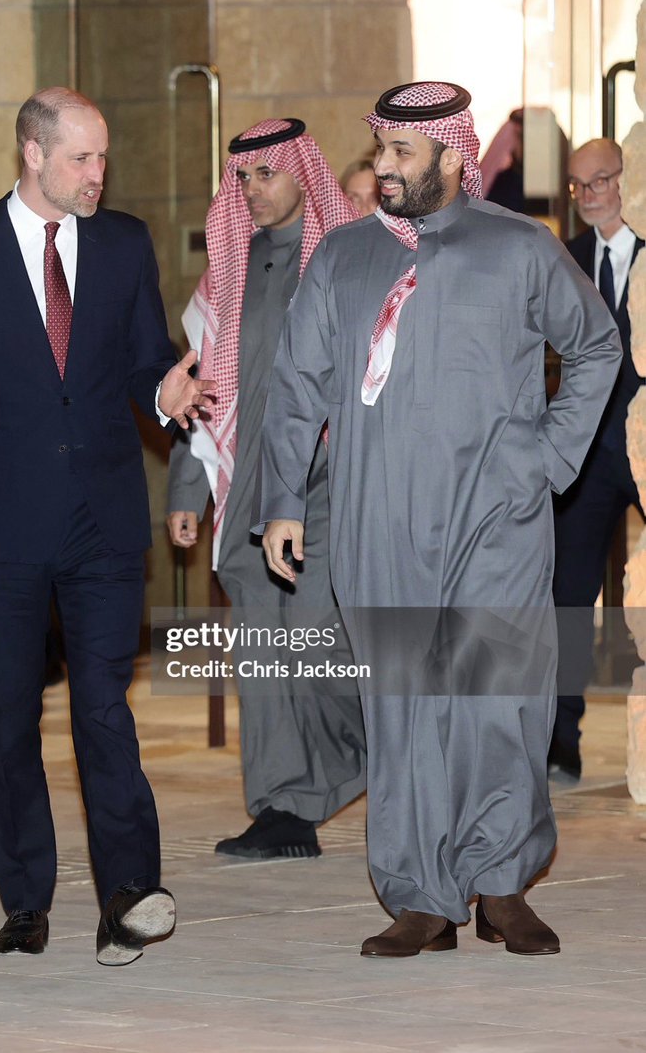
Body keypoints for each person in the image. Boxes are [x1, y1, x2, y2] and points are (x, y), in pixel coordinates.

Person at [256, 81, 622, 958]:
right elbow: (298, 383)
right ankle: (421, 893)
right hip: (379, 519)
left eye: (400, 154)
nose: (381, 167)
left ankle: (499, 884)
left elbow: (596, 344)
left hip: (496, 519)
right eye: (378, 150)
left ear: (452, 158)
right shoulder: (341, 256)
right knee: (404, 706)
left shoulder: (518, 249)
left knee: (500, 703)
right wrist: (279, 500)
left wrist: (546, 458)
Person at [0, 87, 214, 962]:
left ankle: (127, 892)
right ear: (32, 154)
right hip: (2, 524)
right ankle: (26, 898)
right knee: (8, 719)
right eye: (81, 158)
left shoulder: (122, 242)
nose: (97, 174)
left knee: (103, 707)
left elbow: (146, 356)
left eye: (102, 156)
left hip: (104, 521)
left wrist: (165, 390)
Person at [167, 118, 366, 859]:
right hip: (246, 478)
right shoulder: (230, 265)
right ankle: (282, 807)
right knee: (261, 650)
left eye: (267, 175)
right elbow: (203, 379)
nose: (251, 191)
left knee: (320, 647)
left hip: (328, 481)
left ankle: (374, 749)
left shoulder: (345, 258)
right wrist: (187, 487)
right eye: (242, 178)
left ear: (301, 173)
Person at [551, 138, 645, 781]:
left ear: (625, 180)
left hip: (644, 442)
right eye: (577, 185)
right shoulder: (565, 259)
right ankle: (561, 740)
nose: (588, 196)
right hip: (584, 455)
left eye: (600, 181)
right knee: (565, 597)